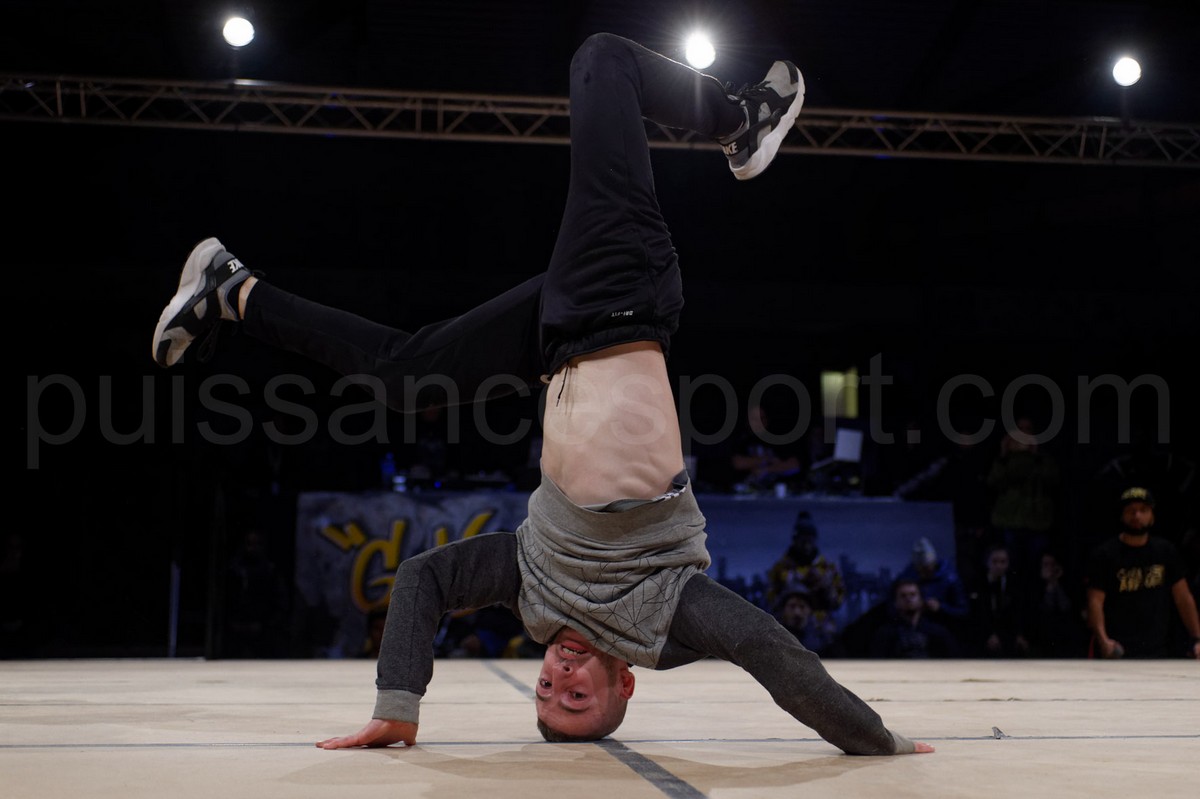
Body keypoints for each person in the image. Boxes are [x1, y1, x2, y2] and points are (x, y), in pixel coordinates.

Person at [152, 33, 931, 755]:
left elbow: (423, 578)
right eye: (578, 695)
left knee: (402, 376)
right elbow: (769, 649)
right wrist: (877, 740)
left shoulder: (533, 588)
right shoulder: (661, 618)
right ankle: (744, 117)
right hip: (621, 296)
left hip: (555, 337)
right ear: (625, 683)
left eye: (546, 692)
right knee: (603, 60)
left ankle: (232, 290)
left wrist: (399, 702)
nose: (558, 677)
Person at [1084, 486, 1200, 659]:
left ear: (1152, 516)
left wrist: (1197, 639)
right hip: (1117, 650)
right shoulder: (1105, 555)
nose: (1137, 516)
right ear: (1121, 515)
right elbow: (1094, 602)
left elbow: (1183, 598)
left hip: (1157, 650)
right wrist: (1103, 640)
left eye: (1143, 510)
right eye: (1131, 510)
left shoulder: (1165, 551)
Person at [765, 510, 846, 619]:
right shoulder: (780, 569)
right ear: (795, 540)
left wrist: (826, 588)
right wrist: (794, 590)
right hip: (788, 625)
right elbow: (771, 603)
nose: (806, 544)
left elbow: (837, 602)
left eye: (810, 538)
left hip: (820, 624)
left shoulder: (828, 568)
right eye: (802, 539)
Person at [895, 536, 970, 640]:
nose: (923, 574)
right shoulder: (908, 575)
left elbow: (963, 611)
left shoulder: (950, 579)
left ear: (933, 563)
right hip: (912, 631)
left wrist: (940, 608)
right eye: (919, 569)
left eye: (926, 569)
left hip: (944, 630)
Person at [869, 579, 960, 659]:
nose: (908, 599)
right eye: (903, 596)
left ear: (921, 600)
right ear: (896, 602)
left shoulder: (938, 632)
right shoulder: (885, 634)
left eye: (913, 595)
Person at [967, 544, 1029, 657]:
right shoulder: (977, 582)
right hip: (984, 633)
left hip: (1008, 633)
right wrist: (989, 635)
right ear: (987, 562)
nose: (999, 566)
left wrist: (1019, 634)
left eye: (1003, 562)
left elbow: (1018, 611)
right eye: (994, 561)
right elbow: (977, 614)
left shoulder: (1014, 583)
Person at [773, 586, 836, 656]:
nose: (797, 612)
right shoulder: (774, 637)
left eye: (802, 607)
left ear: (810, 610)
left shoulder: (821, 640)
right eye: (792, 606)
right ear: (783, 609)